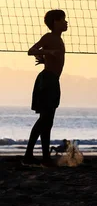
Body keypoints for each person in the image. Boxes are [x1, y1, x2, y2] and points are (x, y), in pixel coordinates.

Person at [23, 9, 68, 166]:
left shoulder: (58, 39)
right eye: (63, 19)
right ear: (55, 22)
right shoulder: (49, 37)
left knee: (48, 121)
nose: (66, 22)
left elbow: (51, 57)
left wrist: (45, 59)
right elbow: (31, 51)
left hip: (53, 79)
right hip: (47, 80)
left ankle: (45, 158)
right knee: (44, 119)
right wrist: (48, 52)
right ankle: (28, 155)